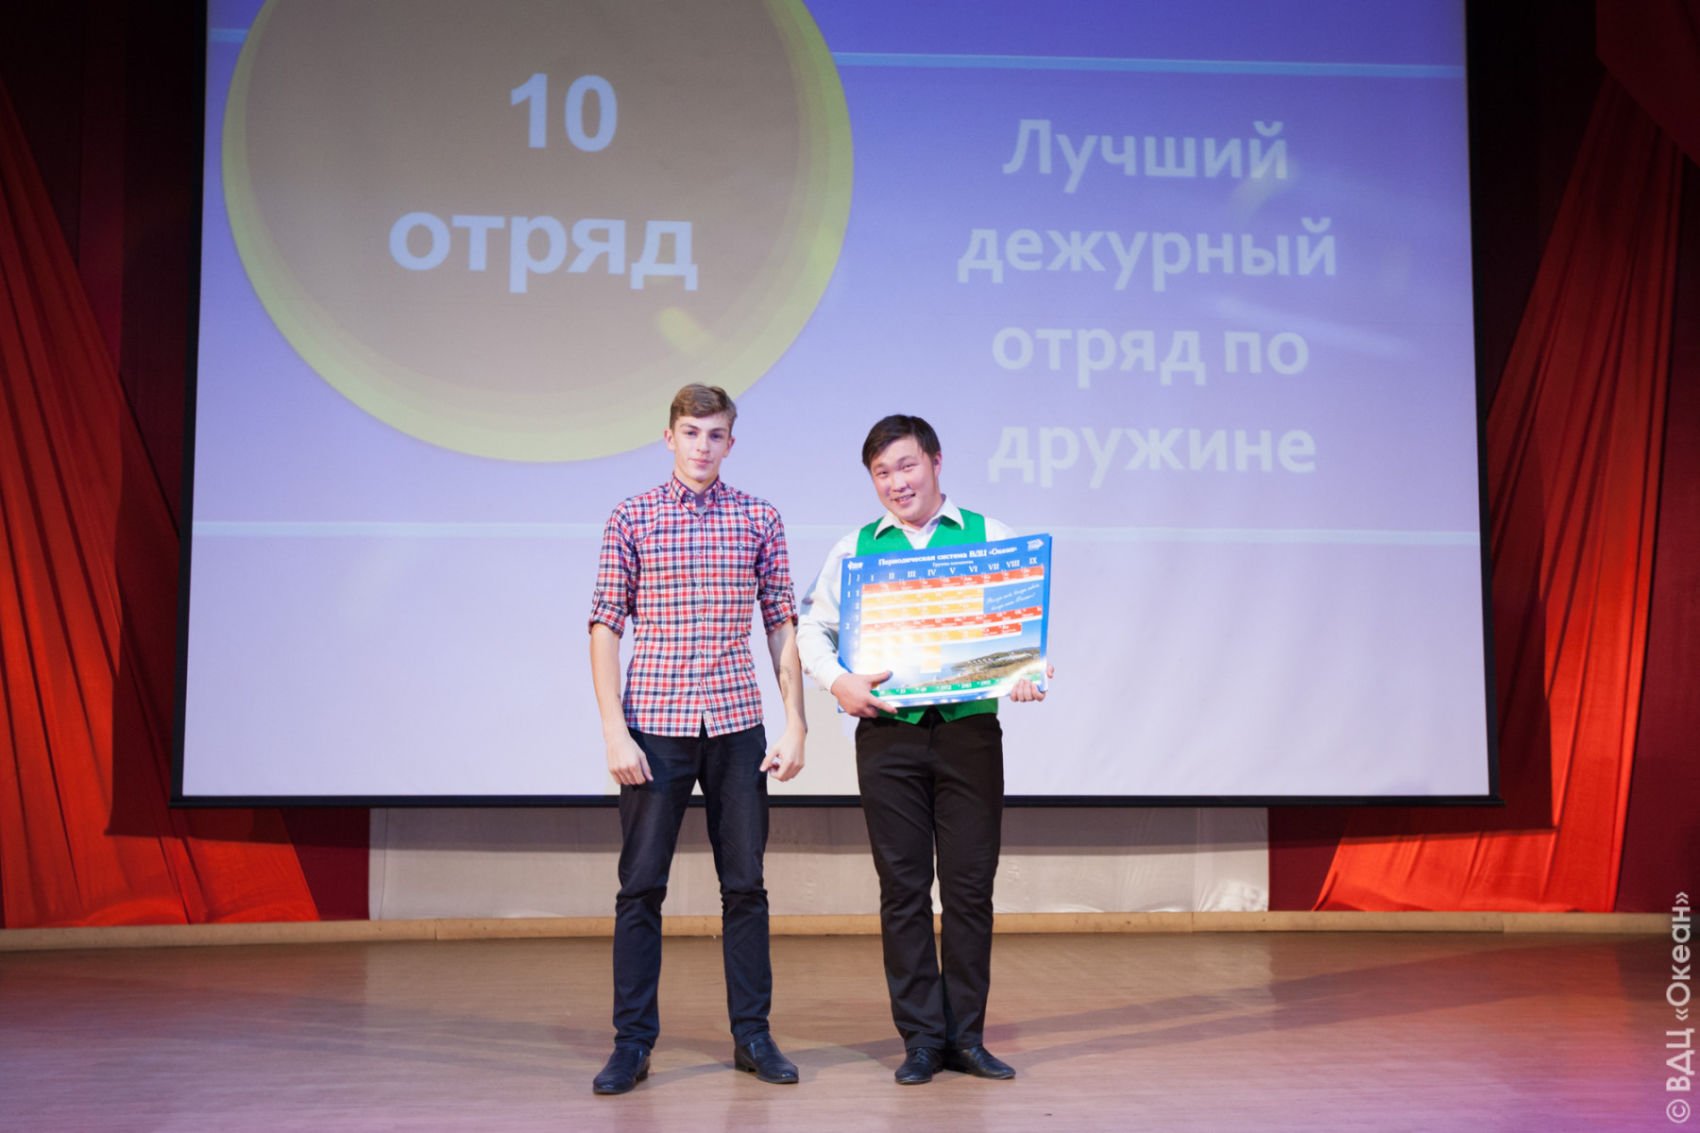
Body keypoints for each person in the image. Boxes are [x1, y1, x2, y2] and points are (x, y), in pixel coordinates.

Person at [797, 414, 1050, 1086]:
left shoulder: (990, 536)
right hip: (889, 737)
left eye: (906, 465)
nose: (896, 482)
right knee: (903, 890)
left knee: (969, 890)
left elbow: (1024, 631)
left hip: (969, 735)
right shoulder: (856, 547)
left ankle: (966, 1037)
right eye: (881, 472)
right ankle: (920, 1040)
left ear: (936, 462)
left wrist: (1027, 671)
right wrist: (838, 681)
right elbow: (811, 630)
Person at [587, 384, 807, 1095]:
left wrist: (795, 720)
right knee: (640, 887)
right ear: (669, 436)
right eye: (690, 432)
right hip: (654, 723)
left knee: (745, 886)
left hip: (737, 723)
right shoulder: (633, 516)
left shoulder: (758, 517)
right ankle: (632, 1043)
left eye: (715, 434)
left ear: (730, 442)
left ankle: (753, 1035)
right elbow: (604, 625)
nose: (702, 446)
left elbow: (781, 622)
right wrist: (613, 729)